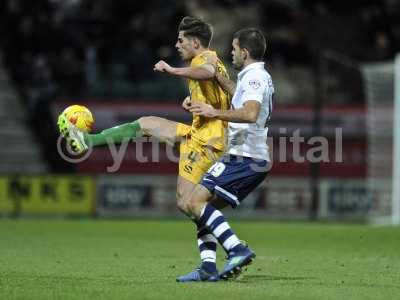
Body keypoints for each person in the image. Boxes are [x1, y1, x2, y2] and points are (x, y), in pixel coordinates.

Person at [57, 16, 230, 276]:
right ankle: (87, 141)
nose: (176, 44)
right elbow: (215, 87)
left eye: (181, 40)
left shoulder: (204, 60)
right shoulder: (210, 61)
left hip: (207, 141)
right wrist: (190, 99)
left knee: (188, 203)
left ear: (195, 42)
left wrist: (173, 71)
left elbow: (207, 72)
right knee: (147, 123)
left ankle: (232, 246)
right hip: (199, 133)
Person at [175, 27, 274, 282]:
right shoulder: (253, 76)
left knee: (194, 202)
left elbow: (250, 113)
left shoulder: (254, 78)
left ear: (244, 51)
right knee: (198, 207)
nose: (231, 53)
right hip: (248, 157)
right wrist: (219, 81)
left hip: (245, 157)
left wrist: (213, 112)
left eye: (233, 49)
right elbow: (240, 98)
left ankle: (237, 250)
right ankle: (208, 267)